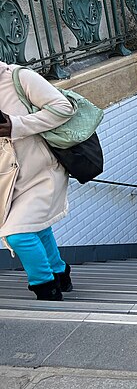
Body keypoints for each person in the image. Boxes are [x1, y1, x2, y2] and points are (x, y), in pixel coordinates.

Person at [0, 63, 76, 300]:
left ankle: (46, 289)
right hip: (9, 179)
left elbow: (64, 108)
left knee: (17, 234)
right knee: (36, 227)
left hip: (43, 172)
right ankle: (61, 273)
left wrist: (17, 125)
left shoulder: (18, 77)